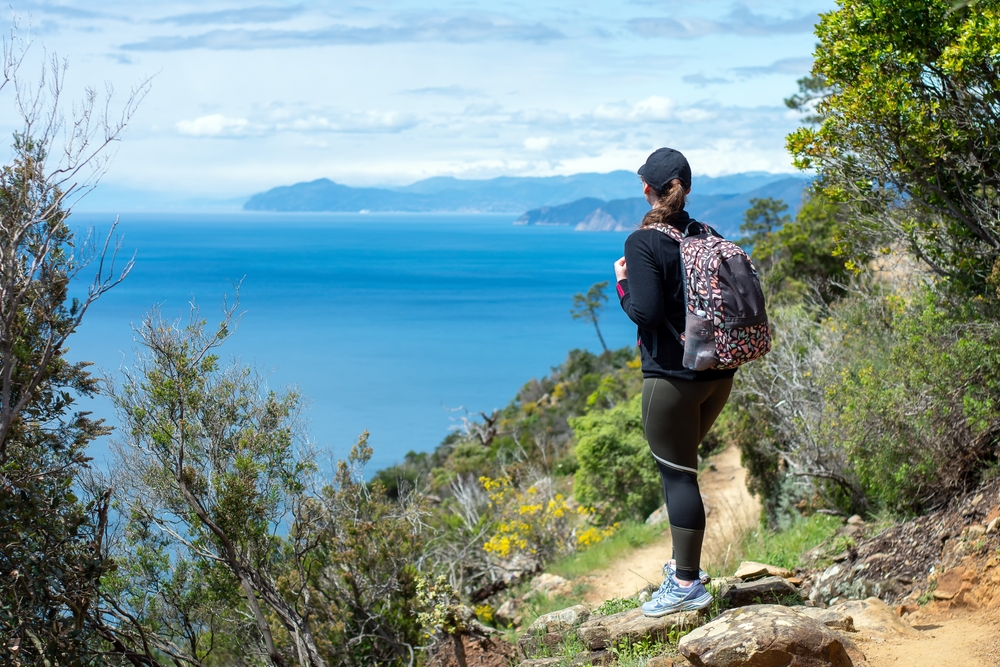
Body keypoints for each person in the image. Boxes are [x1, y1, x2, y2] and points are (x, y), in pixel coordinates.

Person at [613, 147, 736, 617]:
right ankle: (686, 569)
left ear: (647, 188)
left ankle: (686, 583)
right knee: (684, 468)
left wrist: (621, 284)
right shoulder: (707, 235)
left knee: (678, 475)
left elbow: (644, 314)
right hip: (719, 374)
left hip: (672, 378)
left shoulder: (643, 243)